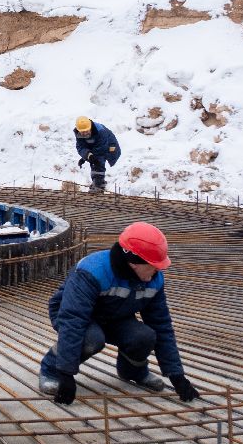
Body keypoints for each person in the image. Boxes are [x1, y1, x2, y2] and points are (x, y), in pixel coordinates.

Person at [37, 221, 200, 405]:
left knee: (144, 336)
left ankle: (133, 371)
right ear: (134, 263)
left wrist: (176, 375)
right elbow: (73, 320)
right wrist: (65, 373)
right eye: (154, 265)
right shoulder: (93, 271)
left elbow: (161, 326)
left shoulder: (153, 280)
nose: (158, 270)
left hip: (115, 316)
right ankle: (50, 370)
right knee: (91, 338)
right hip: (72, 314)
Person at [73, 116, 120, 191]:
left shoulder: (100, 131)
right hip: (96, 146)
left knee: (98, 162)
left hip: (109, 147)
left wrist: (92, 157)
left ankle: (98, 184)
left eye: (86, 131)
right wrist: (86, 156)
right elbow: (81, 147)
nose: (85, 133)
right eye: (82, 132)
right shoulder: (79, 134)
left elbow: (100, 150)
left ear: (90, 127)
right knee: (94, 161)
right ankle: (98, 183)